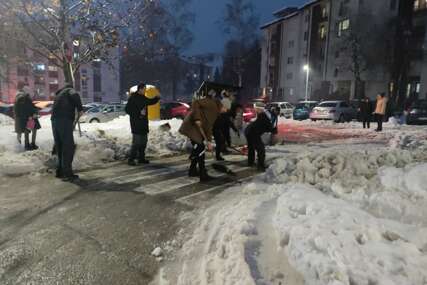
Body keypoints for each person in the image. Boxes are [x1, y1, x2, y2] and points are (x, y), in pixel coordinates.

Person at [179, 89, 222, 182]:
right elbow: (195, 103)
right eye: (226, 108)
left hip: (197, 130)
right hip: (192, 127)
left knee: (198, 149)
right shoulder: (211, 104)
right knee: (201, 149)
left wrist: (209, 141)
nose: (226, 110)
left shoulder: (215, 112)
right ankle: (203, 175)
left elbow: (209, 127)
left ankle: (192, 170)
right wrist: (197, 118)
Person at [51, 83, 83, 181]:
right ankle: (67, 173)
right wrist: (80, 108)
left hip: (54, 120)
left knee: (59, 145)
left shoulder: (59, 94)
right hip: (64, 120)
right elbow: (75, 96)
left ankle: (60, 171)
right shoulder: (70, 90)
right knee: (68, 146)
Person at [125, 83, 160, 166]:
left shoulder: (143, 97)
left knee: (143, 142)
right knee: (136, 143)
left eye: (145, 89)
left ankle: (141, 158)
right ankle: (131, 159)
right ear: (139, 89)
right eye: (143, 89)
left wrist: (157, 98)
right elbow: (127, 110)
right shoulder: (133, 98)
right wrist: (138, 113)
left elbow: (149, 101)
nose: (144, 91)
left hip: (143, 123)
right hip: (136, 123)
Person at [14, 86, 40, 150]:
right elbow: (30, 108)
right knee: (29, 130)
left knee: (20, 132)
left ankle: (20, 145)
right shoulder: (26, 98)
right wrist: (34, 112)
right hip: (29, 117)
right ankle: (29, 144)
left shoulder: (17, 100)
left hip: (20, 118)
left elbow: (16, 110)